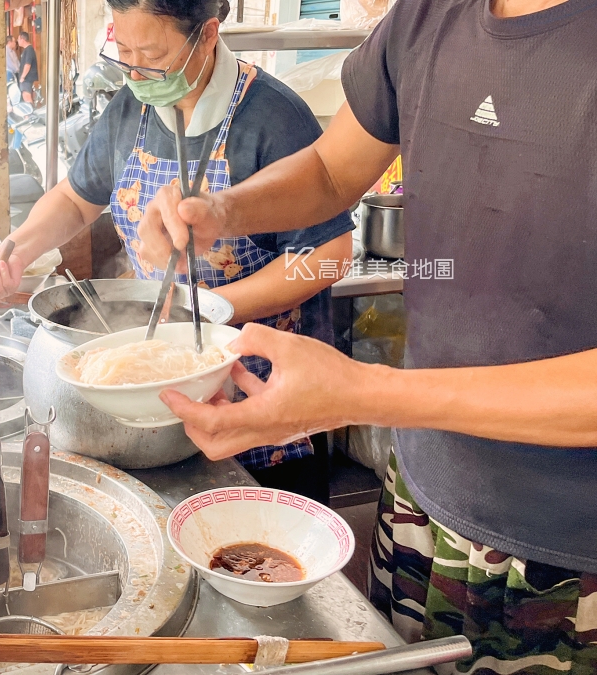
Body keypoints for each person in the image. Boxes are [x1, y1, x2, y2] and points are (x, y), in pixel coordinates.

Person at [134, 0, 597, 671]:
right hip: (421, 501)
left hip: (575, 557)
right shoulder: (425, 17)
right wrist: (220, 210)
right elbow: (331, 170)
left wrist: (363, 393)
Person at [0, 0, 355, 501]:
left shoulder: (273, 119)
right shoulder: (131, 107)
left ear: (209, 33)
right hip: (160, 407)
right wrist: (16, 250)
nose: (135, 71)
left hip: (261, 406)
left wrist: (206, 311)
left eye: (151, 55)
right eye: (123, 51)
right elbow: (75, 197)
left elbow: (329, 254)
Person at [18, 31, 39, 104]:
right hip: (27, 78)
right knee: (26, 96)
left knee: (26, 97)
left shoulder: (29, 50)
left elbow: (27, 65)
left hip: (27, 78)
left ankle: (30, 115)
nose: (18, 41)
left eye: (18, 39)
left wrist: (22, 77)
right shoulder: (27, 50)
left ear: (22, 39)